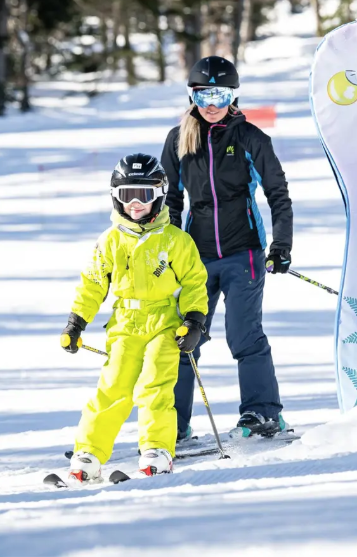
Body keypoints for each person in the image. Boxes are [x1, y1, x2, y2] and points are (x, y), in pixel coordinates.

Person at [161, 56, 293, 439]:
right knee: (185, 337)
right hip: (194, 259)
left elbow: (278, 195)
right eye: (203, 95)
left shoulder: (250, 138)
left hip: (244, 254)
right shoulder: (178, 140)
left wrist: (280, 244)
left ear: (233, 96)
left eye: (220, 94)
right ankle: (173, 423)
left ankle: (262, 413)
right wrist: (170, 252)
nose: (212, 104)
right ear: (193, 97)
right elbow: (170, 200)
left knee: (244, 335)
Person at [59, 153, 208, 484]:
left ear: (159, 195)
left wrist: (195, 321)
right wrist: (76, 322)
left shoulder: (176, 241)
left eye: (144, 194)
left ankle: (157, 449)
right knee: (114, 385)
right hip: (125, 323)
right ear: (116, 197)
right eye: (127, 195)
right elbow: (93, 284)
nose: (136, 203)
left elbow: (195, 283)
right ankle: (90, 453)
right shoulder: (111, 240)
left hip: (166, 323)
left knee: (156, 383)